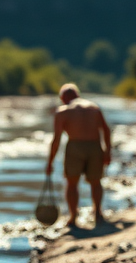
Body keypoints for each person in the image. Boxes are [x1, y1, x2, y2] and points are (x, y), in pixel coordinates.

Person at [45, 83, 112, 228]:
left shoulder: (63, 111)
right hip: (95, 146)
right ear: (77, 95)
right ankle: (98, 213)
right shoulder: (94, 107)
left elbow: (56, 140)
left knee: (72, 183)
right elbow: (106, 130)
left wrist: (49, 162)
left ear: (63, 98)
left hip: (74, 147)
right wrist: (107, 151)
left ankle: (73, 216)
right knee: (96, 182)